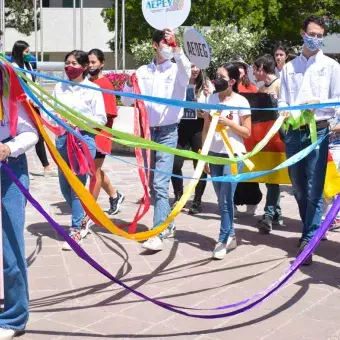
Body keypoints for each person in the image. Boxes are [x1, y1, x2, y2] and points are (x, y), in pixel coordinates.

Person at [122, 28, 191, 252]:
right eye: (164, 43)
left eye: (170, 44)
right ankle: (167, 223)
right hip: (147, 133)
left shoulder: (178, 68)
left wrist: (177, 48)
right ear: (154, 45)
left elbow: (187, 73)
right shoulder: (142, 71)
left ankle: (158, 232)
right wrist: (128, 84)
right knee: (152, 184)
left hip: (169, 132)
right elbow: (125, 101)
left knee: (161, 184)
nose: (167, 47)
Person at [279, 15, 340, 265]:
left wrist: (335, 122)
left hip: (319, 131)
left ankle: (309, 239)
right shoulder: (289, 68)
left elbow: (337, 99)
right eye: (311, 34)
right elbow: (283, 99)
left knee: (315, 186)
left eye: (319, 35)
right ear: (302, 33)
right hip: (294, 132)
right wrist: (283, 113)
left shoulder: (332, 66)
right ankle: (310, 230)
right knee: (298, 185)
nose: (315, 39)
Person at [52, 50, 107, 250]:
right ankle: (84, 214)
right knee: (64, 185)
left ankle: (75, 230)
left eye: (74, 63)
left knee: (77, 185)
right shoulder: (59, 87)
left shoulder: (92, 89)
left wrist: (78, 123)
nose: (70, 66)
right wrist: (57, 121)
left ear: (84, 67)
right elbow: (51, 112)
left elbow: (100, 119)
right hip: (62, 139)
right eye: (67, 62)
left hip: (84, 140)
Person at [0, 66, 39, 338]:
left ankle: (14, 317)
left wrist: (8, 148)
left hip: (9, 170)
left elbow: (31, 132)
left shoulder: (11, 90)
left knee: (11, 244)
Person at [203, 63, 251, 260]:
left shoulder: (241, 101)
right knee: (220, 198)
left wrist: (229, 123)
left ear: (232, 81)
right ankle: (231, 235)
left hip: (233, 155)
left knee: (225, 199)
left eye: (222, 77)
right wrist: (203, 155)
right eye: (216, 75)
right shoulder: (211, 98)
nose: (217, 79)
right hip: (213, 153)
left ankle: (222, 240)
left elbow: (247, 132)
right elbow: (206, 126)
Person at [11, 40, 58, 179]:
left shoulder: (28, 65)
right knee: (20, 135)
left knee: (39, 134)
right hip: (21, 106)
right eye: (26, 52)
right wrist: (27, 99)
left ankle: (46, 167)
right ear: (20, 52)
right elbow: (17, 87)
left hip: (33, 105)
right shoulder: (13, 67)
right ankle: (23, 168)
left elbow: (33, 84)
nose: (29, 54)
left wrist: (36, 99)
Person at [171, 64, 213, 215]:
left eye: (197, 66)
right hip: (180, 127)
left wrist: (200, 105)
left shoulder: (206, 85)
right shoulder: (177, 81)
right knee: (175, 163)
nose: (195, 69)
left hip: (199, 129)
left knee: (200, 165)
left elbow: (209, 113)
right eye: (191, 66)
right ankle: (178, 196)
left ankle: (197, 201)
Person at [87, 48, 124, 216]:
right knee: (93, 170)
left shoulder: (105, 85)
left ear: (102, 64)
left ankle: (89, 211)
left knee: (94, 172)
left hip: (100, 135)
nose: (90, 65)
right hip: (86, 133)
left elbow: (109, 112)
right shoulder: (87, 83)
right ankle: (115, 195)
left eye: (93, 62)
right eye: (88, 62)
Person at [253, 54, 283, 232]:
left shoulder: (279, 85)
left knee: (273, 178)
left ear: (262, 68)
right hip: (265, 139)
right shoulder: (260, 89)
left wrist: (277, 101)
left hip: (277, 139)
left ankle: (269, 214)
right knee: (270, 178)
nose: (254, 73)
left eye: (255, 69)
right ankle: (276, 212)